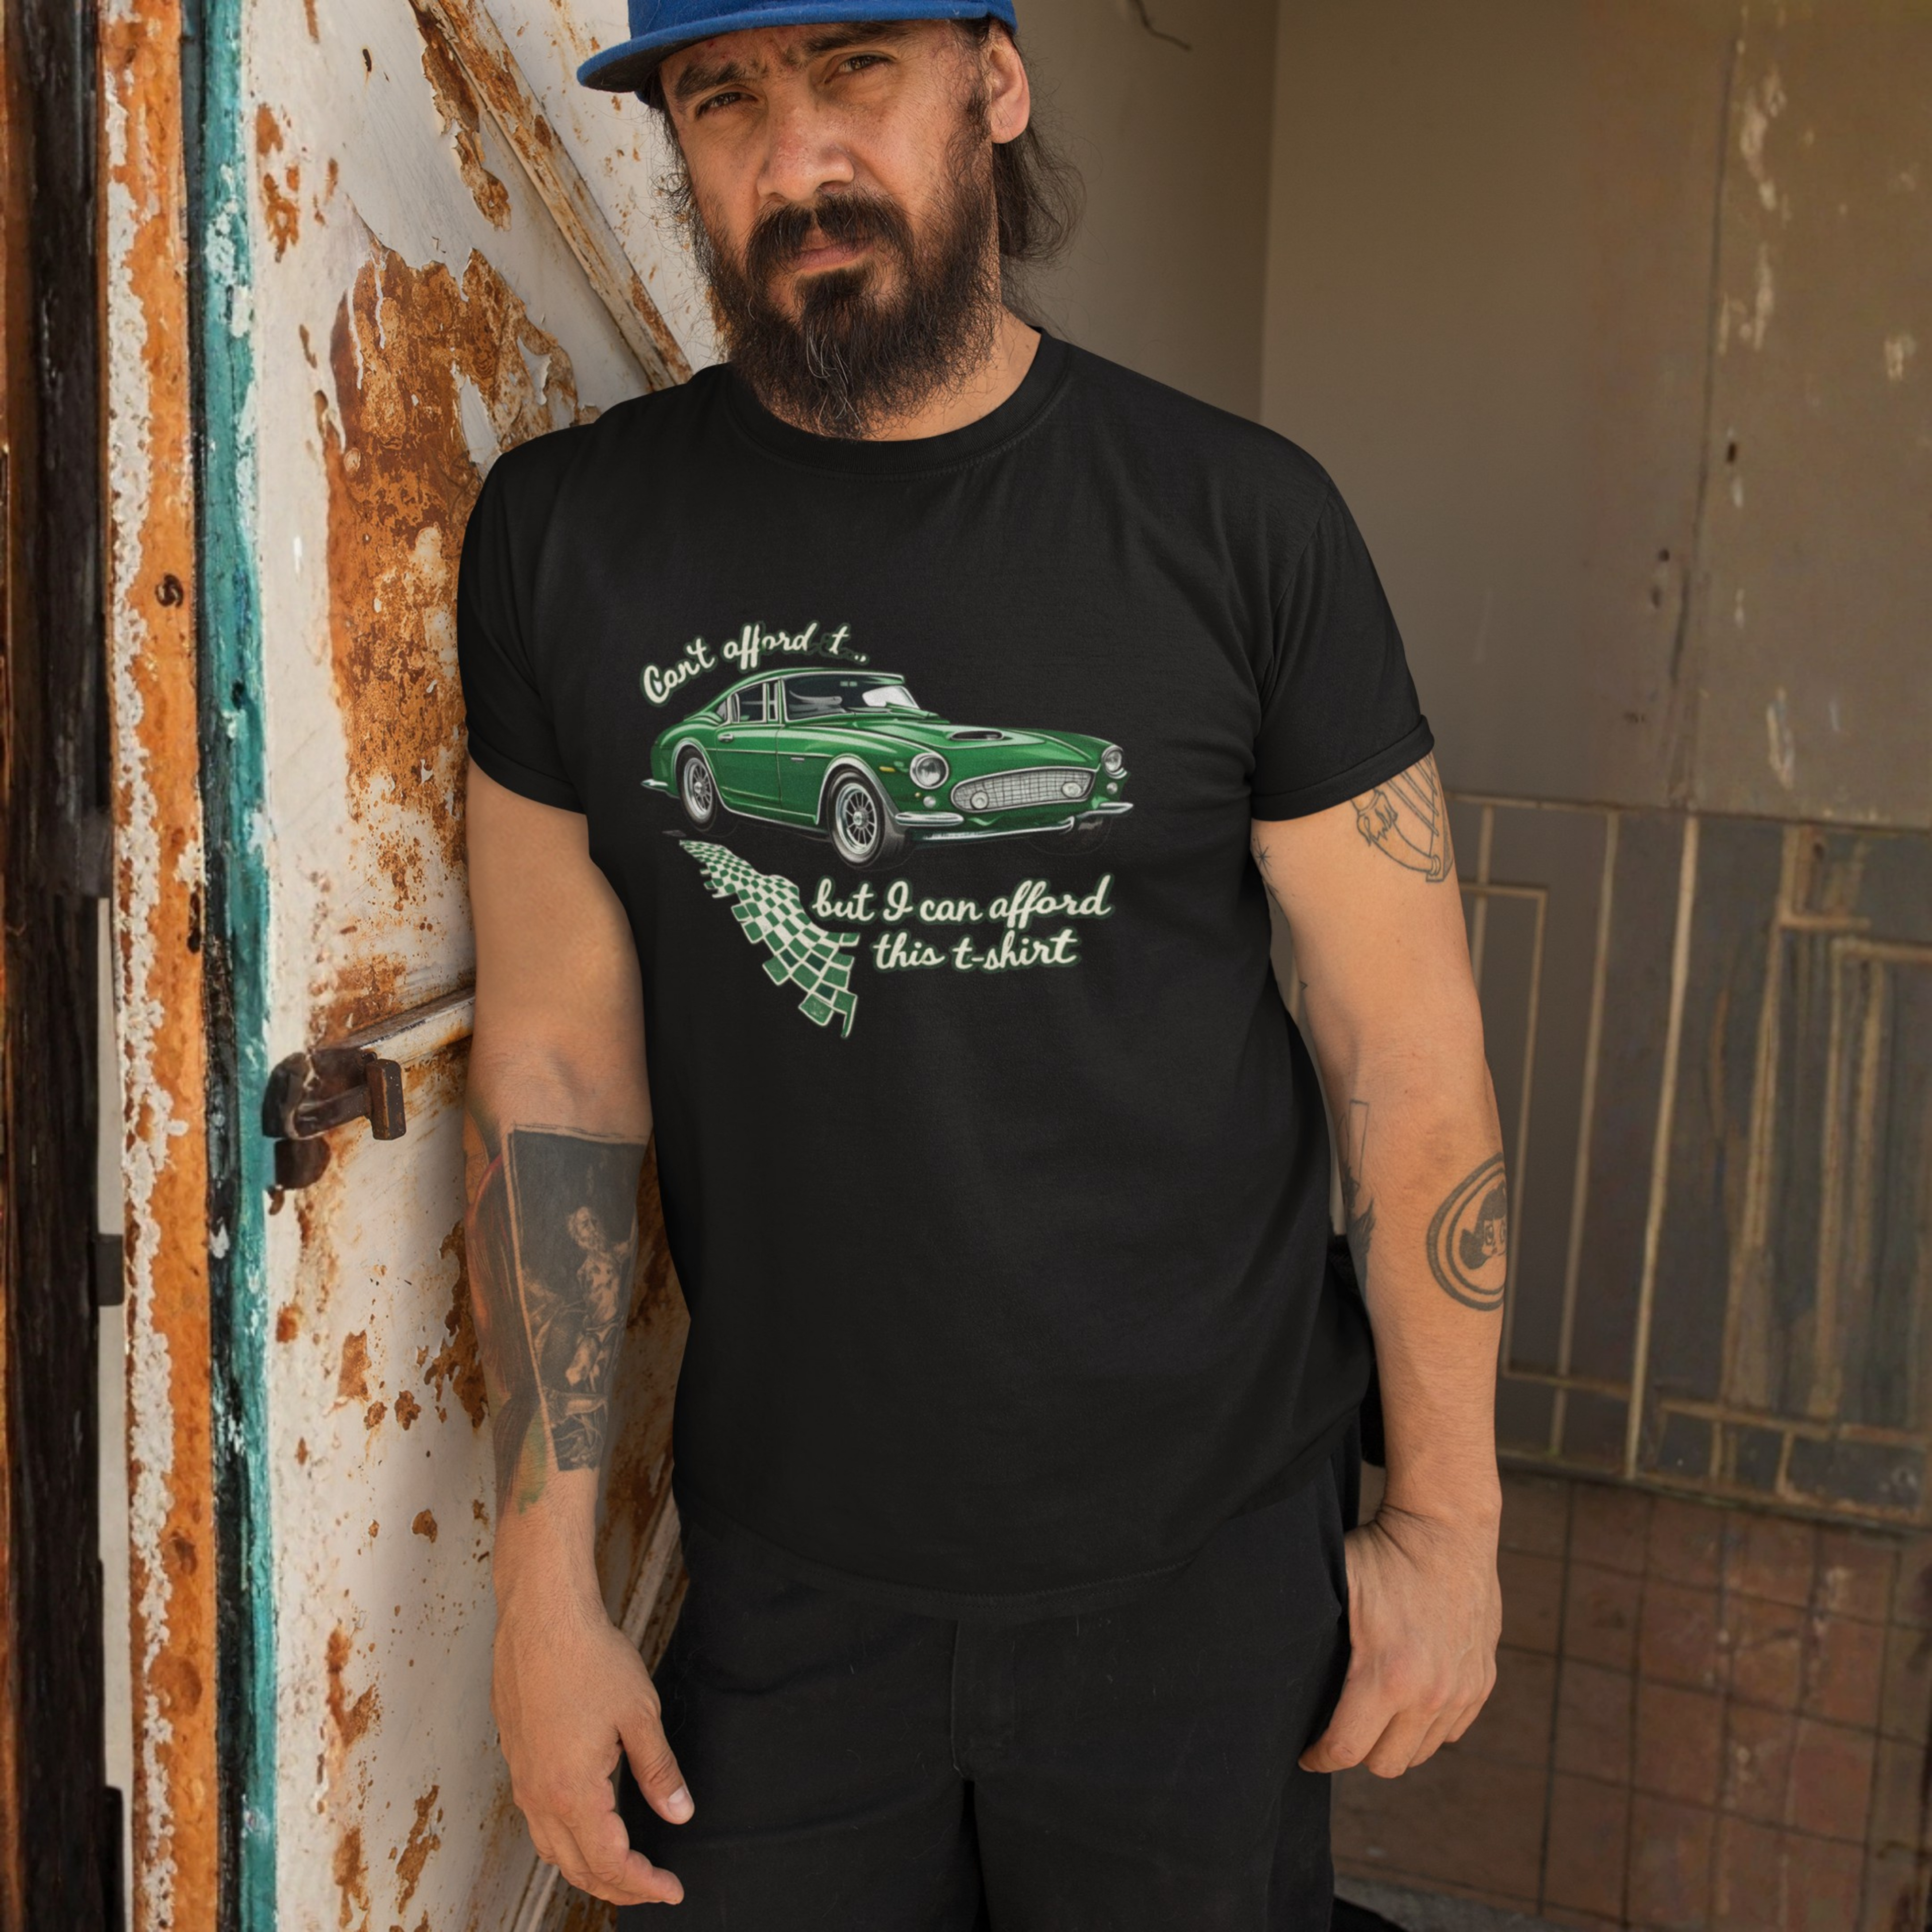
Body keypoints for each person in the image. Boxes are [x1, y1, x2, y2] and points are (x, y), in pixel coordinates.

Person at [456, 3, 1506, 1923]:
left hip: (1205, 1578)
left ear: (995, 85)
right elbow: (552, 1074)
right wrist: (544, 1592)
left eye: (857, 68)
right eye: (723, 98)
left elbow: (1406, 1052)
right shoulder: (565, 538)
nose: (796, 162)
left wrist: (1448, 1522)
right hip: (782, 1588)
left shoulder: (1241, 525)